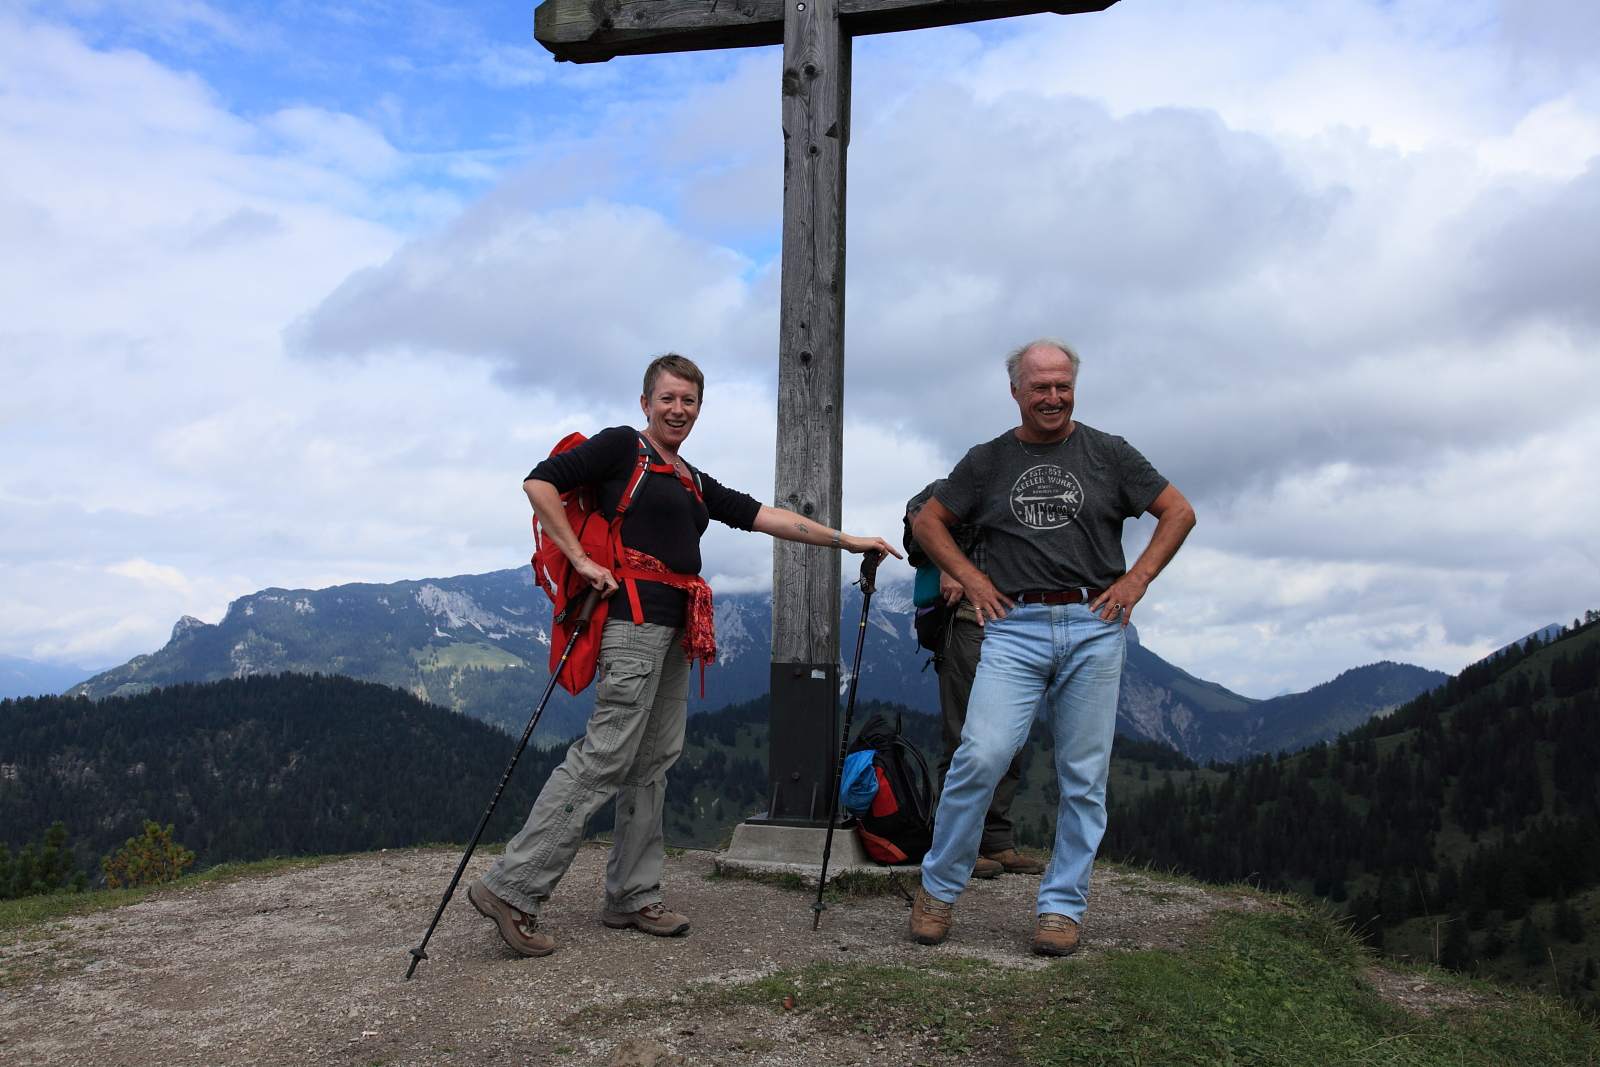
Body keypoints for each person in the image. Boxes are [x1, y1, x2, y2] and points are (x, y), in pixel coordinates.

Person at [468, 353, 899, 958]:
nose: (678, 410)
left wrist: (846, 540)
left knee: (653, 761)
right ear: (646, 402)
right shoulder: (621, 447)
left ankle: (632, 894)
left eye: (689, 400)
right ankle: (512, 887)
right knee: (606, 755)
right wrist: (584, 561)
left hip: (673, 633)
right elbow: (540, 482)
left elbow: (762, 515)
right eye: (667, 398)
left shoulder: (689, 477)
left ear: (699, 408)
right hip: (632, 625)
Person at [908, 338, 1195, 956]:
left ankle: (1062, 909)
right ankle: (938, 889)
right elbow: (928, 521)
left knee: (1084, 777)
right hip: (1013, 626)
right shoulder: (988, 460)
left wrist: (1137, 580)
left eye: (1063, 385)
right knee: (980, 755)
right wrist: (972, 578)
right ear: (1016, 391)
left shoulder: (1109, 453)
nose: (1053, 397)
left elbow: (1178, 511)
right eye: (1040, 386)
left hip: (1094, 623)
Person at [903, 485, 1045, 878]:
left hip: (1021, 626)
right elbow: (918, 512)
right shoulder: (969, 479)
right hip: (969, 622)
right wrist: (948, 566)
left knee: (1012, 740)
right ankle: (956, 846)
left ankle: (996, 842)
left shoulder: (1031, 488)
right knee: (966, 738)